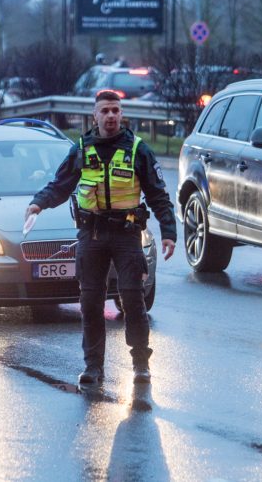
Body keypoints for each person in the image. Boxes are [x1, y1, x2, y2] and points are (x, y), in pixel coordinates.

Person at [25, 90, 177, 386]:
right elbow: (60, 184)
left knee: (133, 299)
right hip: (91, 235)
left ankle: (141, 365)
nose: (110, 116)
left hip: (126, 235)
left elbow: (158, 194)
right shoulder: (82, 149)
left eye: (115, 111)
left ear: (122, 115)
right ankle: (93, 367)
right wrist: (38, 203)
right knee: (91, 301)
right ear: (94, 116)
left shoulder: (137, 150)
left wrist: (169, 232)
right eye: (105, 111)